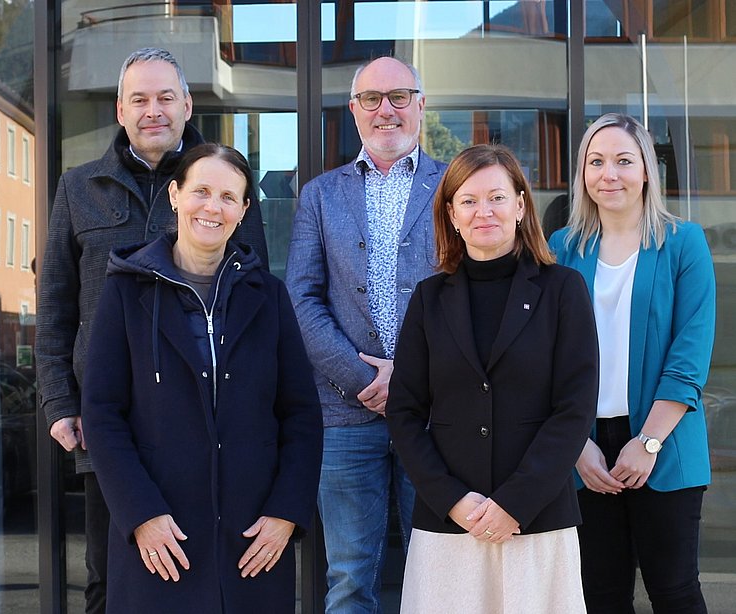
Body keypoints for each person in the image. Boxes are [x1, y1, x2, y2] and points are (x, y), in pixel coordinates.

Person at [34, 47, 268, 613]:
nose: (153, 110)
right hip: (105, 421)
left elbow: (253, 297)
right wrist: (60, 402)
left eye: (166, 97)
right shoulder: (78, 187)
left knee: (202, 569)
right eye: (139, 98)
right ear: (120, 109)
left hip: (205, 417)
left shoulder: (220, 186)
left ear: (188, 105)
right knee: (109, 577)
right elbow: (55, 304)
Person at [81, 144, 323, 613]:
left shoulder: (269, 296)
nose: (213, 207)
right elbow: (103, 413)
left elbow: (300, 415)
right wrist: (140, 514)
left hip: (252, 539)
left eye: (229, 197)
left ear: (244, 210)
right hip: (161, 537)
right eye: (201, 191)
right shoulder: (125, 291)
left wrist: (286, 513)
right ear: (175, 195)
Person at [386, 144, 599, 613]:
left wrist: (515, 505)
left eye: (497, 198)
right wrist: (454, 500)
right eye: (468, 200)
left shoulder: (563, 290)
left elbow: (575, 408)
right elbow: (404, 411)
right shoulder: (428, 299)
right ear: (452, 215)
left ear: (520, 206)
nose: (484, 211)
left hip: (536, 521)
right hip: (450, 525)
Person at [285, 56, 446, 612]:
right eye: (371, 99)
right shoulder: (321, 195)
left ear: (421, 106)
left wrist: (412, 380)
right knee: (350, 576)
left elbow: (472, 295)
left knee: (440, 568)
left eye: (399, 96)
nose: (386, 110)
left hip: (435, 412)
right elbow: (301, 297)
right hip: (345, 413)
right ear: (354, 112)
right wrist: (360, 379)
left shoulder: (456, 186)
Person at [549, 113, 716, 613]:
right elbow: (545, 359)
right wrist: (577, 447)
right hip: (584, 451)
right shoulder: (562, 249)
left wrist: (646, 443)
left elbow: (688, 359)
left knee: (675, 591)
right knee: (599, 596)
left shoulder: (684, 243)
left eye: (624, 160)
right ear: (582, 173)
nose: (609, 174)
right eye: (596, 162)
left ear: (646, 169)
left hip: (664, 442)